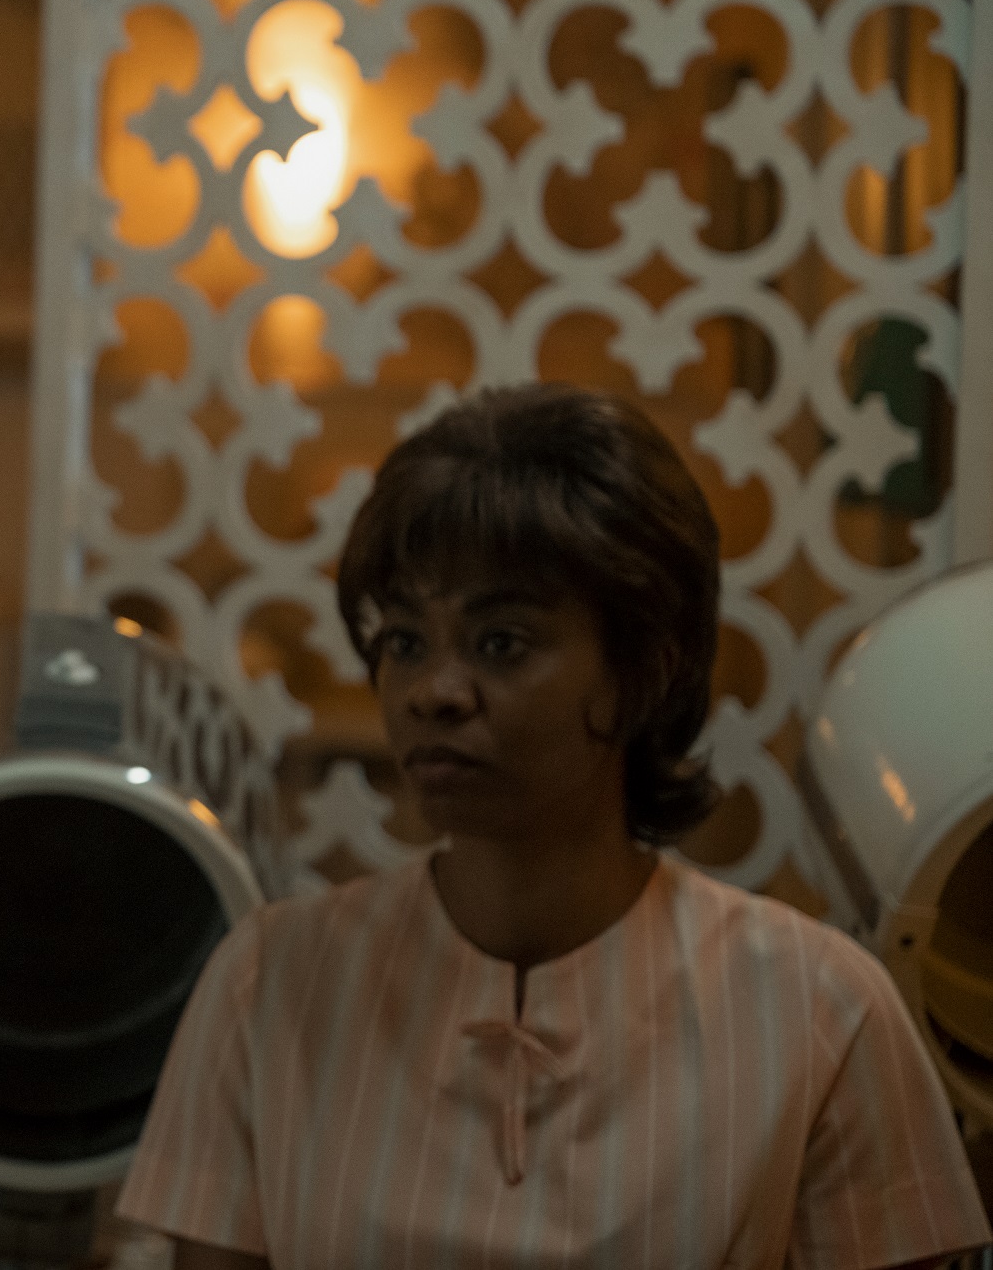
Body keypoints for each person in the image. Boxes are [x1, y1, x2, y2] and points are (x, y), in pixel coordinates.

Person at [117, 386, 990, 1269]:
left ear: (646, 668)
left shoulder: (818, 1009)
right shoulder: (271, 983)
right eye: (405, 641)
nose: (434, 692)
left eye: (501, 642)